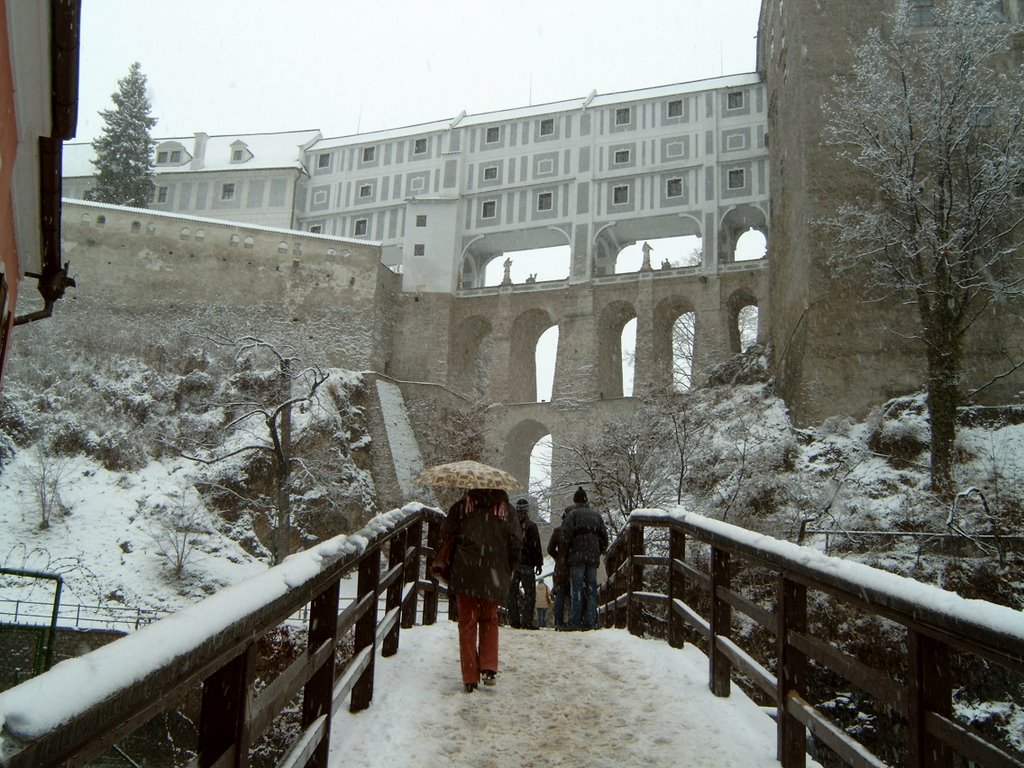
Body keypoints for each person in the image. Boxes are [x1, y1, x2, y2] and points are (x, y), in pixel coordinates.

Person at [441, 487, 523, 692]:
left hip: (465, 571)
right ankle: (488, 667)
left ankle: (469, 677)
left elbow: (446, 533)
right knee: (489, 619)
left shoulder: (462, 507)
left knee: (467, 623)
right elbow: (516, 542)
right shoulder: (506, 510)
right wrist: (509, 567)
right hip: (494, 573)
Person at [561, 486, 608, 631]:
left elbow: (565, 537)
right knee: (592, 590)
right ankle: (591, 621)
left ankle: (575, 621)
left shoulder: (572, 516)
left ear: (575, 501)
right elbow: (604, 538)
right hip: (592, 558)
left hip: (576, 558)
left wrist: (566, 554)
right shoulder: (596, 516)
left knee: (577, 590)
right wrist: (598, 551)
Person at [507, 498, 543, 629]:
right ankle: (527, 621)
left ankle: (514, 620)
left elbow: (506, 545)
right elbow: (536, 547)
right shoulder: (531, 526)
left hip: (514, 564)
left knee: (512, 593)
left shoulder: (510, 525)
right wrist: (539, 563)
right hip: (527, 564)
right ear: (527, 510)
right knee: (530, 594)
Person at [546, 523, 570, 629]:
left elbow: (550, 549)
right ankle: (573, 621)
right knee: (574, 594)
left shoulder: (558, 531)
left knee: (559, 595)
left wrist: (559, 557)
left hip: (561, 568)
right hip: (574, 565)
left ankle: (558, 622)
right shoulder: (575, 529)